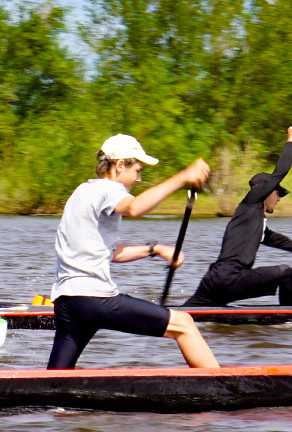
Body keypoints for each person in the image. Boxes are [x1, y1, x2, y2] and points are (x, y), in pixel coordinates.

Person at [46, 134, 218, 370]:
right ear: (119, 166)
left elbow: (110, 252)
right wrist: (182, 177)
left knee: (57, 377)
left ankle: (45, 403)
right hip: (95, 298)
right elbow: (135, 208)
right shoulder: (108, 189)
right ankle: (224, 388)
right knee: (184, 324)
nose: (138, 179)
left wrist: (153, 249)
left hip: (68, 302)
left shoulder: (81, 192)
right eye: (137, 170)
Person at [184, 126, 292, 307]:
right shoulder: (251, 202)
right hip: (228, 277)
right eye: (278, 193)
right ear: (267, 191)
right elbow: (280, 171)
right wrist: (291, 139)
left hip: (214, 281)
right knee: (287, 273)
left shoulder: (257, 223)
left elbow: (289, 245)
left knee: (180, 315)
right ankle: (289, 320)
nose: (278, 199)